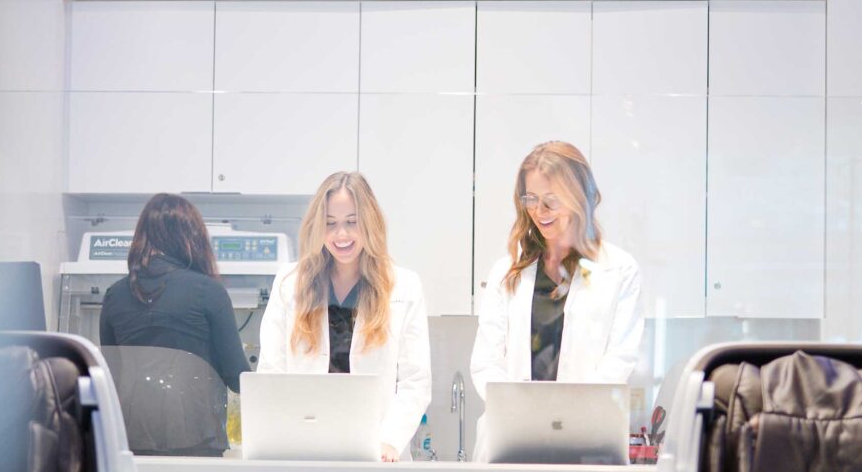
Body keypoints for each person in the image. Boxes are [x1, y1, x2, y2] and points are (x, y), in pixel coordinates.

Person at [470, 141, 643, 460]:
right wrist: (519, 412)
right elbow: (486, 361)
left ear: (579, 197)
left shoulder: (619, 269)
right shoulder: (507, 270)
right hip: (512, 438)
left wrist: (567, 416)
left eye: (551, 200)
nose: (538, 212)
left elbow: (619, 359)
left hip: (587, 439)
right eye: (530, 199)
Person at [258, 172, 431, 462]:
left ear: (370, 223)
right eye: (331, 224)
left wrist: (389, 441)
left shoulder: (404, 285)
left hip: (377, 453)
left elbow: (415, 381)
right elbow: (271, 373)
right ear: (318, 227)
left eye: (352, 222)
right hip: (304, 449)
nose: (342, 235)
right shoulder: (290, 283)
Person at [100, 193, 249, 457]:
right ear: (192, 237)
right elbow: (238, 377)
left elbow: (112, 376)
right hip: (196, 441)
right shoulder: (208, 291)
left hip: (131, 443)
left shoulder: (114, 296)